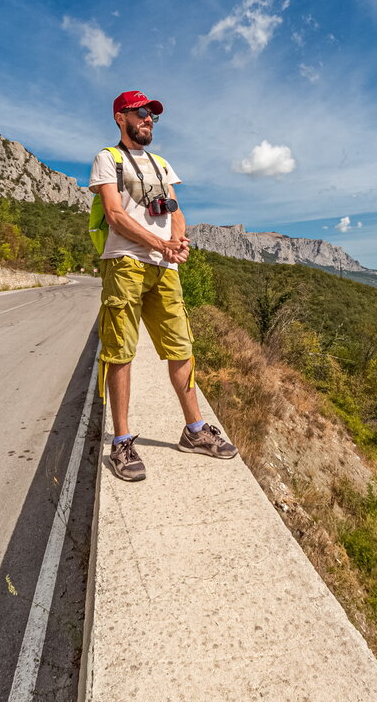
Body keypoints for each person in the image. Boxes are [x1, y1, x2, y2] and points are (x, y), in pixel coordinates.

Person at [89, 90, 238, 482]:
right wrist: (161, 244)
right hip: (126, 263)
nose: (148, 119)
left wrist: (180, 241)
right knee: (120, 351)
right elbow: (115, 216)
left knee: (181, 347)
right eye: (140, 113)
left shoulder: (161, 163)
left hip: (164, 267)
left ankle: (194, 430)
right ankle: (121, 441)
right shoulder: (109, 158)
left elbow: (176, 210)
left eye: (152, 114)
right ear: (121, 117)